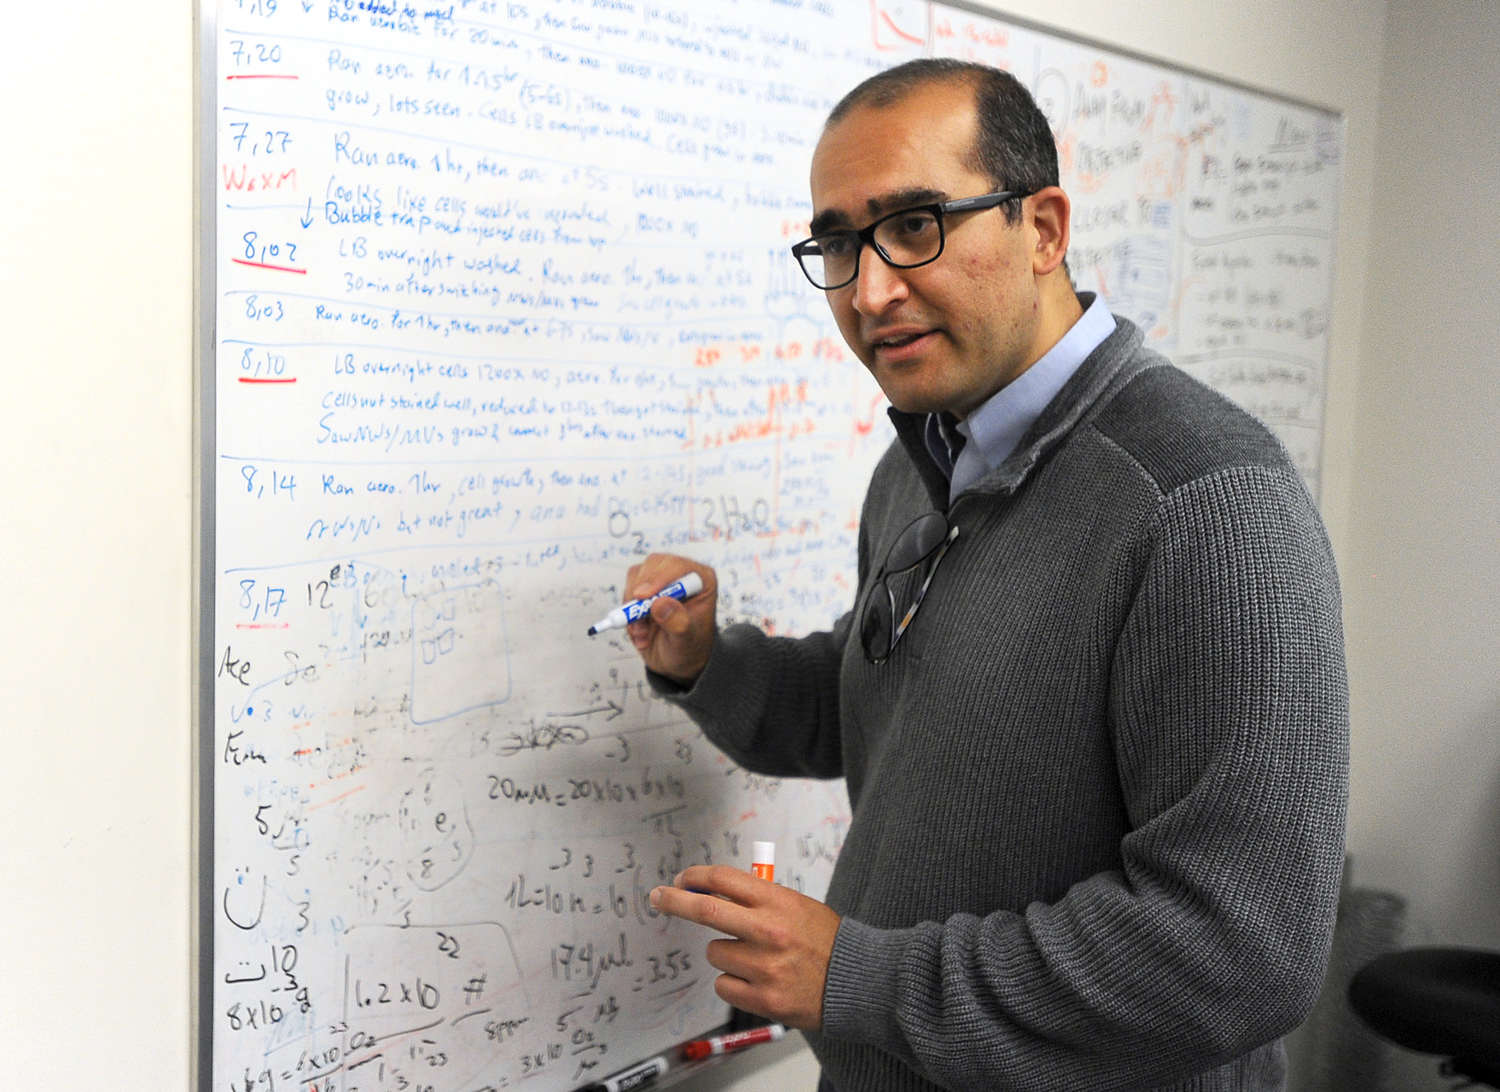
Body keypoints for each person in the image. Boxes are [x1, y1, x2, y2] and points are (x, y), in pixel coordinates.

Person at [628, 59, 1348, 1092]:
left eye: (915, 224)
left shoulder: (1204, 500)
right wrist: (706, 662)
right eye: (837, 242)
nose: (870, 289)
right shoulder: (921, 460)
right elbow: (882, 705)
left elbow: (1237, 952)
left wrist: (860, 979)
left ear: (1044, 228)